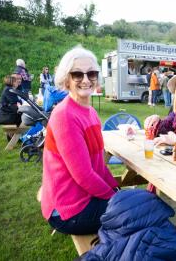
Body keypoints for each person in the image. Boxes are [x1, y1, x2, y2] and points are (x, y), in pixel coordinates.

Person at [40, 46, 120, 235]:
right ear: (66, 80)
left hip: (84, 197)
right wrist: (115, 198)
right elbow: (84, 175)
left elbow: (99, 166)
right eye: (77, 74)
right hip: (69, 210)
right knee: (141, 212)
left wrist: (116, 190)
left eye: (91, 73)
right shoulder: (64, 116)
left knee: (141, 205)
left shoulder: (90, 112)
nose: (85, 80)